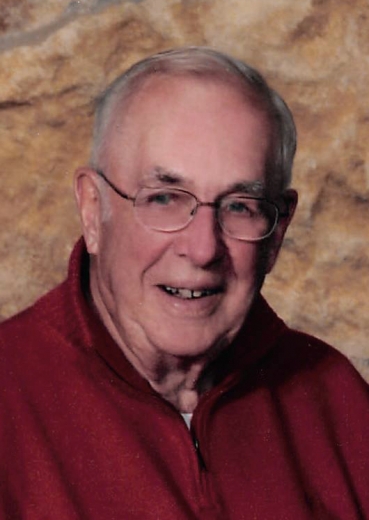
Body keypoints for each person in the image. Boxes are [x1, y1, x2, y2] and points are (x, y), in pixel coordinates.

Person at [0, 47, 368, 520]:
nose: (201, 249)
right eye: (165, 199)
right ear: (93, 211)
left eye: (240, 205)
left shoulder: (335, 399)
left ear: (277, 233)